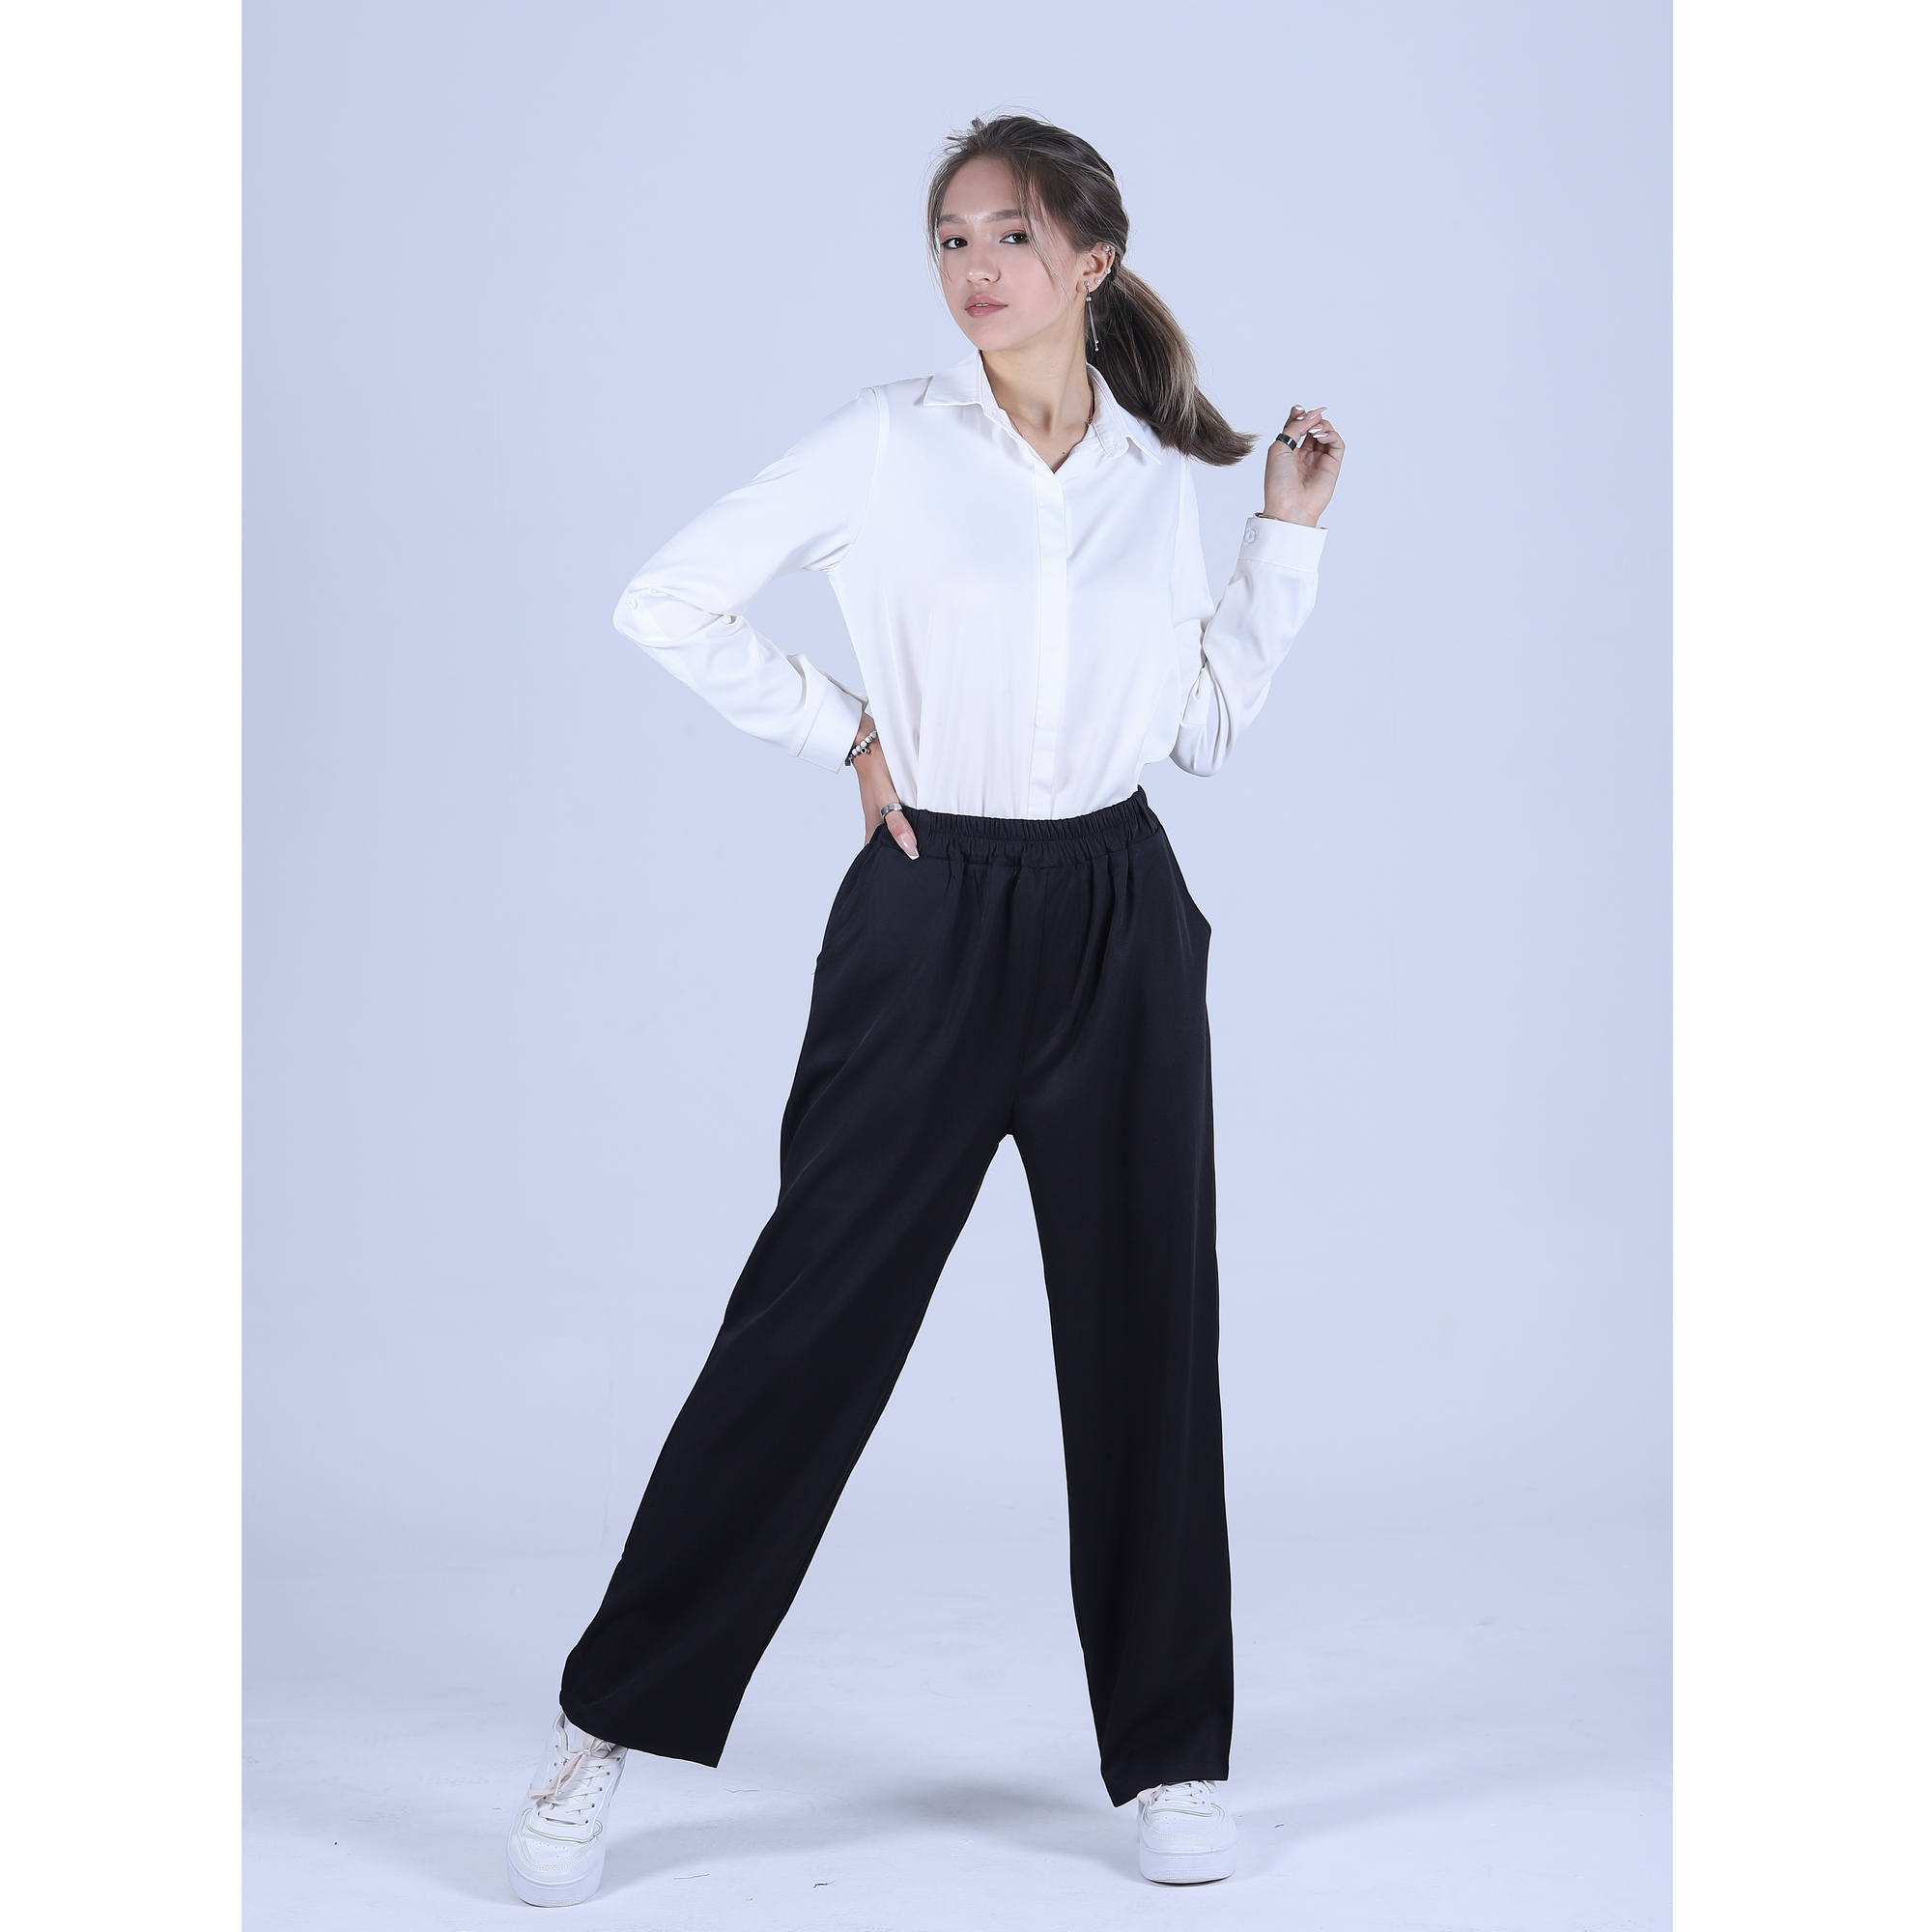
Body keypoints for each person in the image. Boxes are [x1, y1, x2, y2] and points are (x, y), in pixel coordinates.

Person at [505, 112, 1344, 1906]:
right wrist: (843, 730)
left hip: (1117, 912)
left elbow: (1200, 730)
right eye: (953, 238)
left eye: (1012, 236)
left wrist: (1282, 541)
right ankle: (604, 1727)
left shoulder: (1150, 475)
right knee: (808, 1324)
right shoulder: (886, 442)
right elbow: (666, 599)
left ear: (1093, 261)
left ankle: (1173, 1759)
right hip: (930, 909)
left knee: (1148, 1334)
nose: (975, 268)